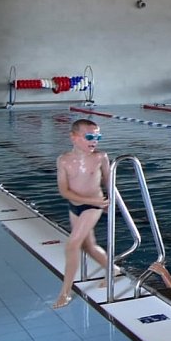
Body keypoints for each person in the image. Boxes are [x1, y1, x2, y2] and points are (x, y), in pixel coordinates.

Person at [53, 119, 111, 309]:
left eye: (98, 136)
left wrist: (111, 202)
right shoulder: (63, 160)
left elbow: (110, 182)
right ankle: (114, 270)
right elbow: (64, 191)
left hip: (94, 206)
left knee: (72, 245)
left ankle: (65, 292)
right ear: (74, 137)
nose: (95, 140)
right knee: (89, 246)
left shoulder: (101, 157)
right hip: (76, 205)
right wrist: (92, 201)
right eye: (89, 136)